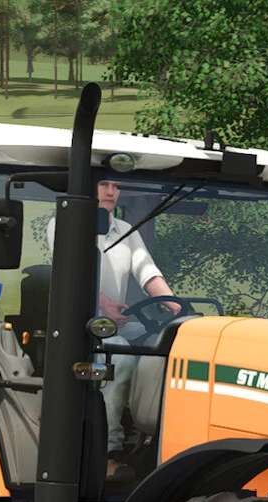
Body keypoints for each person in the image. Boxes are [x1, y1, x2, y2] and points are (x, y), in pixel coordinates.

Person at [47, 180, 176, 480]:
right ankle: (106, 452)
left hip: (112, 324)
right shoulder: (64, 224)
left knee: (164, 345)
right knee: (121, 357)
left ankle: (153, 440)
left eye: (116, 186)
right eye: (103, 184)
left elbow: (147, 272)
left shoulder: (125, 230)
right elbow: (73, 270)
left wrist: (178, 308)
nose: (110, 192)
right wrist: (104, 305)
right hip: (76, 324)